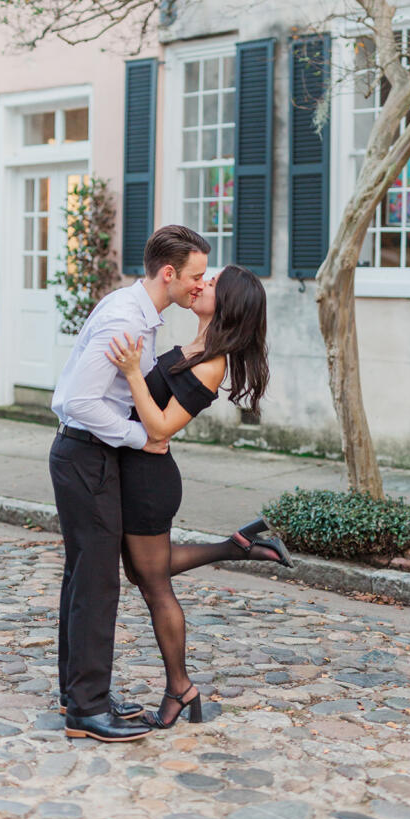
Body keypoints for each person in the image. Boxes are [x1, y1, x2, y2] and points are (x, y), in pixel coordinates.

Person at [106, 265, 292, 730]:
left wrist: (131, 372)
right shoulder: (195, 346)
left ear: (226, 302)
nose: (202, 283)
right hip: (139, 470)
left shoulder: (212, 363)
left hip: (150, 482)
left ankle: (180, 687)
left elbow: (162, 427)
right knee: (143, 571)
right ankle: (237, 546)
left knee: (154, 585)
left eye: (213, 283)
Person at [49, 224, 210, 742]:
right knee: (96, 584)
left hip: (87, 454)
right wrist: (139, 437)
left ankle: (80, 693)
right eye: (195, 276)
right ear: (170, 273)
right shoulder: (127, 319)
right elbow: (82, 402)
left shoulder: (136, 310)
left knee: (83, 577)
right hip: (87, 454)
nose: (198, 285)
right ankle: (87, 713)